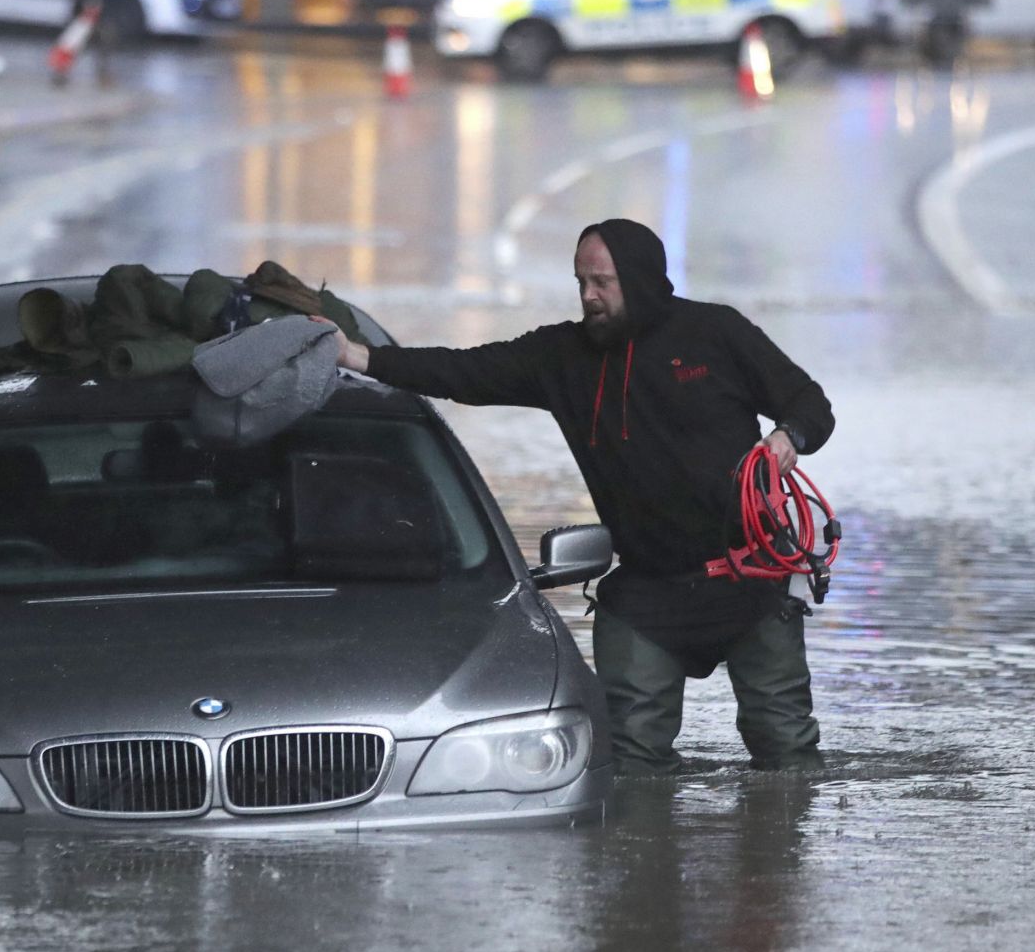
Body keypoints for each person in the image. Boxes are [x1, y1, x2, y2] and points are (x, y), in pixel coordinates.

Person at [325, 219, 835, 774]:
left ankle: (776, 857)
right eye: (581, 283)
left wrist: (789, 437)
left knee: (788, 758)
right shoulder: (561, 357)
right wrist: (358, 357)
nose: (589, 296)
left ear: (639, 280)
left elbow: (810, 402)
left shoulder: (716, 334)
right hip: (648, 594)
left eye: (602, 283)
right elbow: (462, 370)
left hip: (750, 581)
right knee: (631, 765)